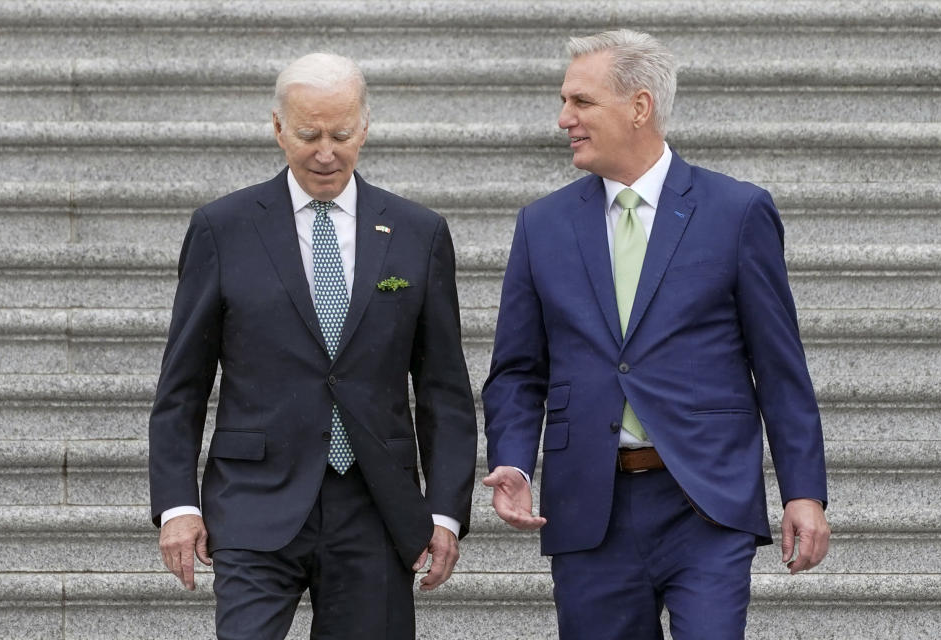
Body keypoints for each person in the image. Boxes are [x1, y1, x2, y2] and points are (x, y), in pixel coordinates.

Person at [482, 29, 830, 640]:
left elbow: (780, 368)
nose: (564, 118)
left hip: (704, 501)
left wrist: (804, 492)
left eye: (581, 102)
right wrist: (513, 458)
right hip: (591, 508)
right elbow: (516, 370)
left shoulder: (736, 210)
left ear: (639, 107)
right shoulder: (542, 225)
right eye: (566, 101)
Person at [148, 52, 477, 640]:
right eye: (308, 134)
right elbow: (181, 388)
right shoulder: (222, 228)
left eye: (341, 134)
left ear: (366, 127)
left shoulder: (418, 232)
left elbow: (444, 392)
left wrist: (447, 511)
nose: (326, 152)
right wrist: (178, 505)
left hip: (375, 508)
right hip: (253, 502)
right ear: (277, 127)